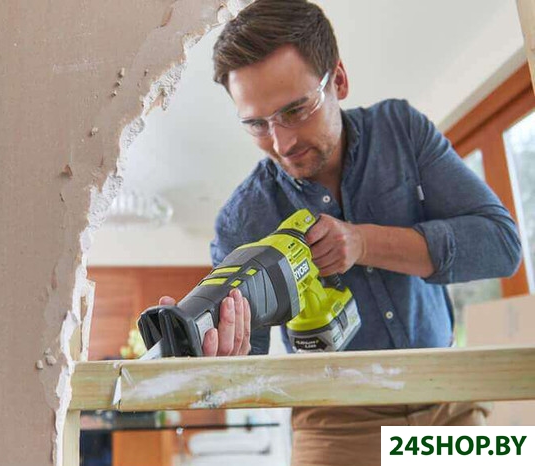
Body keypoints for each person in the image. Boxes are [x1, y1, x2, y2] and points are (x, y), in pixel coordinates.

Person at [158, 0, 522, 464]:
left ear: (340, 80)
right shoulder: (242, 220)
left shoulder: (401, 131)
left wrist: (363, 242)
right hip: (334, 423)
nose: (281, 142)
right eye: (257, 124)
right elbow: (245, 366)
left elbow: (501, 245)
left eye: (296, 109)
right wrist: (218, 356)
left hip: (446, 401)